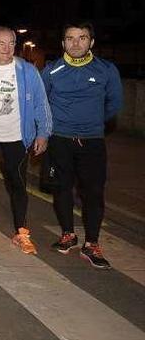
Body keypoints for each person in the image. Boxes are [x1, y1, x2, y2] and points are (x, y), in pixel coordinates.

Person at [42, 23, 122, 269]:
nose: (76, 43)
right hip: (60, 140)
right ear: (63, 43)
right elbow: (42, 103)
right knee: (62, 189)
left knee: (93, 193)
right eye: (70, 38)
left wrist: (91, 123)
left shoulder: (106, 70)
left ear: (91, 42)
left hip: (92, 142)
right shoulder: (51, 70)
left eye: (82, 38)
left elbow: (114, 105)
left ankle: (92, 243)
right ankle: (68, 234)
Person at [0, 26, 51, 254]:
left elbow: (40, 104)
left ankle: (22, 232)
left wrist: (43, 132)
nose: (6, 48)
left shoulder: (27, 71)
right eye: (0, 43)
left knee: (17, 184)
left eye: (11, 43)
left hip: (16, 137)